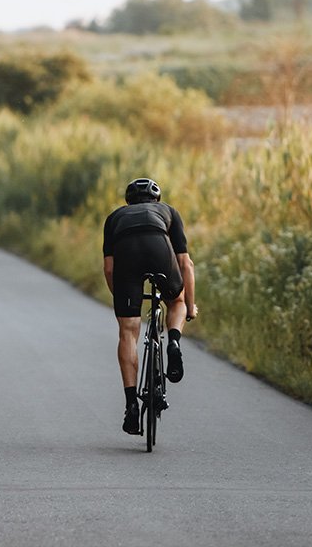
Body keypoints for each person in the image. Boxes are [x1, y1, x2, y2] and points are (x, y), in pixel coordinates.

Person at [102, 177, 197, 435]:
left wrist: (121, 297)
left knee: (128, 332)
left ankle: (131, 404)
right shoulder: (168, 212)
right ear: (157, 199)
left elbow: (109, 268)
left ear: (128, 201)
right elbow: (185, 263)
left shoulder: (114, 217)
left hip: (127, 257)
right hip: (159, 249)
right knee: (175, 301)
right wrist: (189, 305)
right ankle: (174, 342)